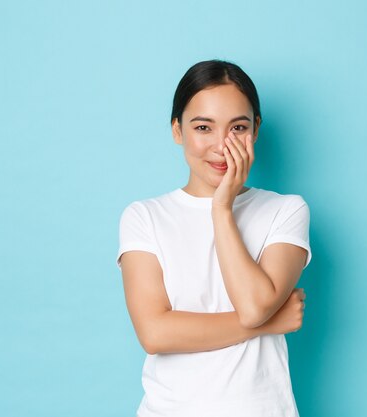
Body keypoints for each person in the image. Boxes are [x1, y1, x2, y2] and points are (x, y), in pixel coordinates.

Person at [116, 59, 312, 417]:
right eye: (203, 127)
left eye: (238, 127)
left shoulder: (286, 210)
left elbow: (254, 305)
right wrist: (270, 323)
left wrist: (222, 208)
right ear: (177, 130)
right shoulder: (144, 217)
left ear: (256, 130)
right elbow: (155, 333)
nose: (222, 145)